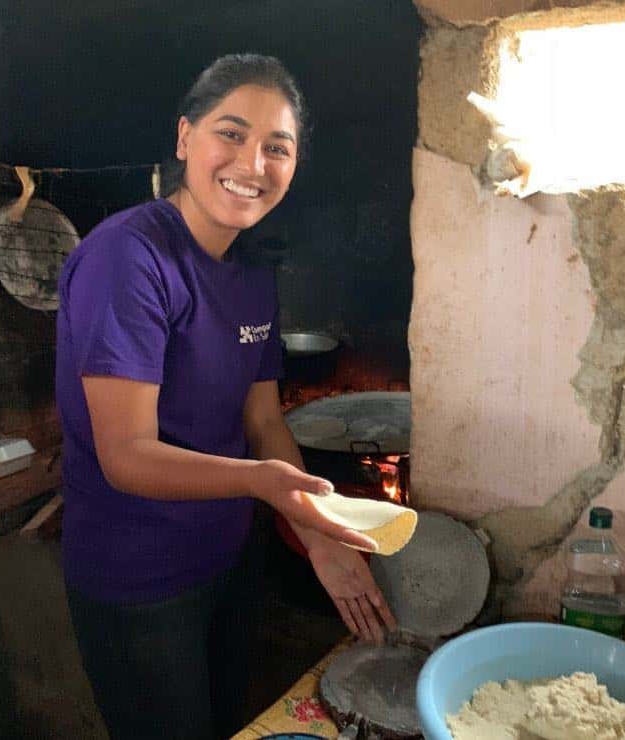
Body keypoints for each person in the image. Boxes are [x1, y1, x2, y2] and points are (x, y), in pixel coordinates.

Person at [55, 53, 396, 740]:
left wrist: (319, 534)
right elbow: (127, 456)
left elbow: (263, 418)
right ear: (186, 138)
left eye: (278, 147)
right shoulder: (129, 257)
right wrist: (270, 486)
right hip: (139, 579)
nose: (253, 162)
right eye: (231, 133)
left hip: (227, 561)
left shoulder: (249, 274)